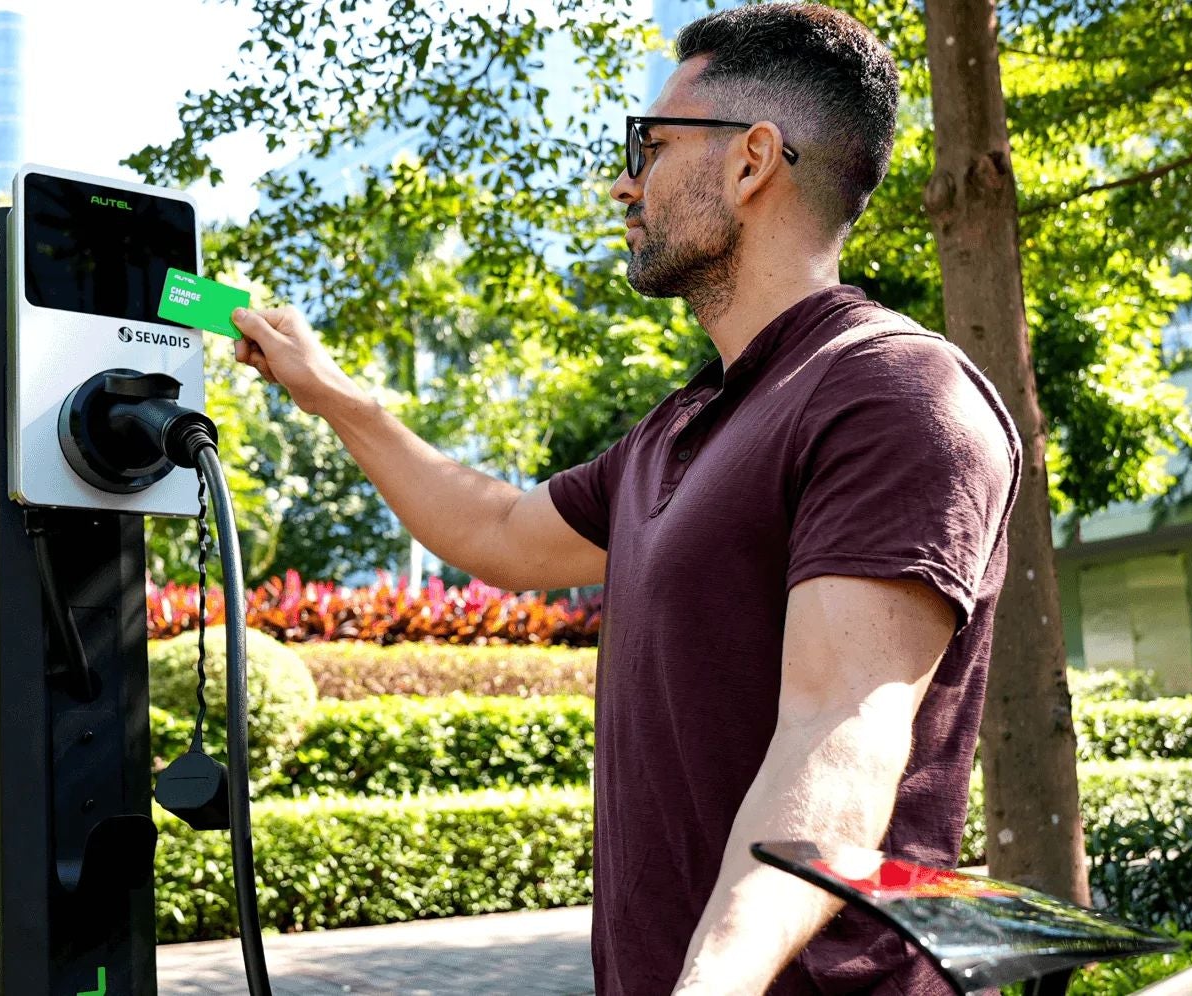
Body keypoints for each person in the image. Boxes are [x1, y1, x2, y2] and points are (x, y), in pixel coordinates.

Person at [226, 3, 1021, 992]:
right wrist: (328, 392)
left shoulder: (891, 393)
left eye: (646, 145)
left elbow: (840, 730)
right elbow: (496, 530)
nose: (621, 183)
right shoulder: (679, 431)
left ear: (750, 160)